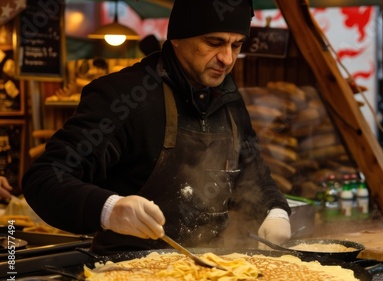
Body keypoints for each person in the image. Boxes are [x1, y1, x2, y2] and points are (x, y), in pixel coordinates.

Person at [22, 0, 291, 254]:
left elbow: (254, 176)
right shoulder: (123, 96)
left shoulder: (230, 102)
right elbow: (45, 177)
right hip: (129, 278)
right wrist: (108, 209)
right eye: (214, 43)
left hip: (214, 272)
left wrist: (275, 209)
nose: (227, 59)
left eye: (236, 46)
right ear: (176, 38)